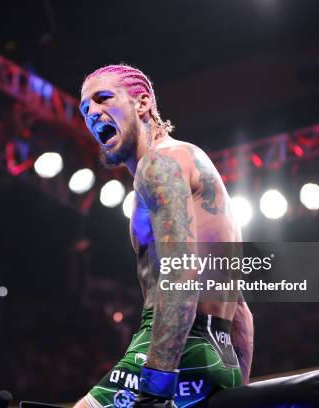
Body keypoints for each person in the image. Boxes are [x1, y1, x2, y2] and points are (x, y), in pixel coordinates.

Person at [74, 65, 254, 408]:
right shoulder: (189, 159)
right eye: (85, 109)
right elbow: (240, 309)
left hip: (176, 347)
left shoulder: (158, 165)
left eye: (102, 99)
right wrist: (239, 390)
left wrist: (156, 387)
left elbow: (181, 271)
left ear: (142, 104)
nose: (92, 113)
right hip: (220, 354)